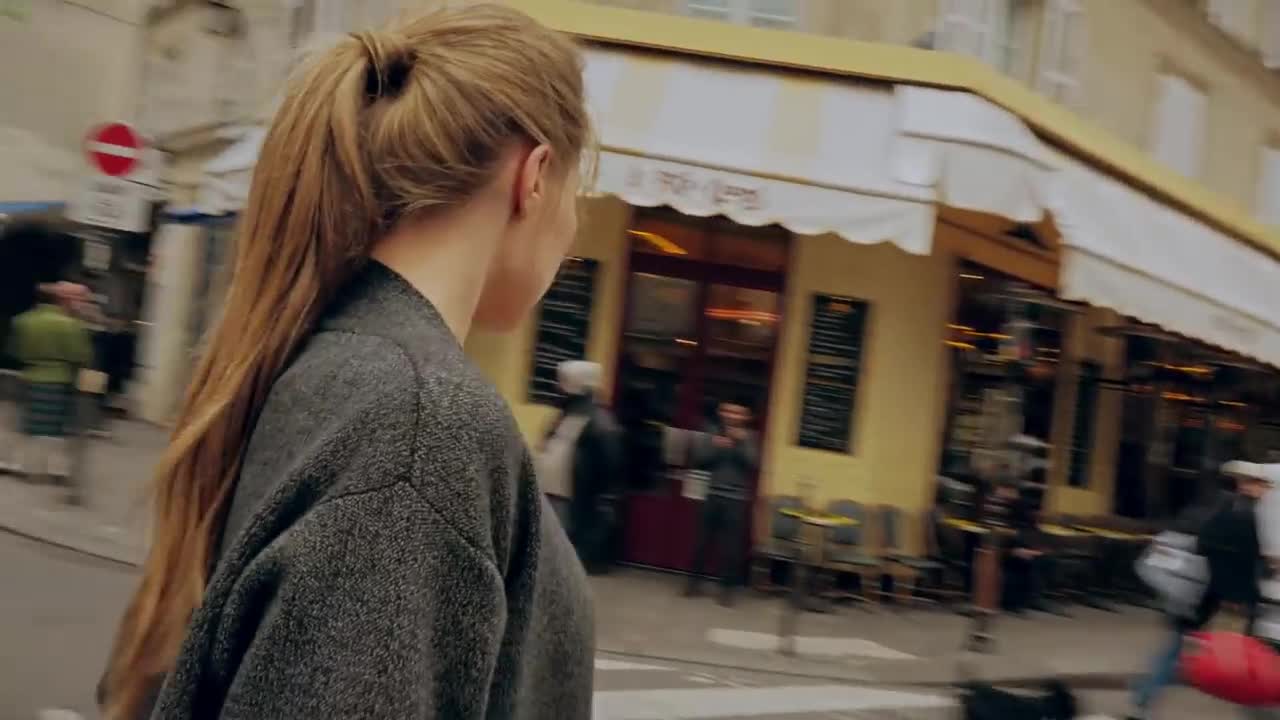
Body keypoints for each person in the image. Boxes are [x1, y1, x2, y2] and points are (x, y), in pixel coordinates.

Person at [97, 6, 593, 720]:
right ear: (536, 178)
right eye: (580, 190)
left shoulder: (331, 364)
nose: (573, 231)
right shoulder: (422, 426)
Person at [1128, 465, 1270, 720]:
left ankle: (1145, 694)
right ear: (1244, 484)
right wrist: (1237, 596)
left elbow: (1215, 549)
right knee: (1238, 657)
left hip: (1194, 594)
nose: (1264, 489)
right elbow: (1235, 559)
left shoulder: (1215, 509)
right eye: (1260, 483)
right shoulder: (1240, 513)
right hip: (1211, 597)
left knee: (1182, 650)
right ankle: (1257, 710)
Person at [537, 360, 622, 573]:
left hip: (571, 504)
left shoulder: (598, 422)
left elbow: (608, 467)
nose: (558, 388)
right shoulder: (566, 415)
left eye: (563, 383)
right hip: (549, 497)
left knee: (558, 562)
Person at [7, 281, 92, 480]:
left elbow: (16, 351)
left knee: (27, 424)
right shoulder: (72, 325)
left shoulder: (23, 321)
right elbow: (81, 355)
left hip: (29, 376)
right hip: (59, 379)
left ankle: (23, 465)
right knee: (56, 427)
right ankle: (55, 468)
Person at [686, 398, 759, 605]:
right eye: (728, 411)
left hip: (736, 499)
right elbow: (699, 458)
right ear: (721, 412)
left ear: (746, 417)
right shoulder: (710, 431)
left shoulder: (751, 437)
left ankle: (727, 590)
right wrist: (716, 447)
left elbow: (753, 463)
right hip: (710, 494)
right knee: (701, 542)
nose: (732, 416)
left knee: (731, 548)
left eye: (738, 413)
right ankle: (693, 583)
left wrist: (740, 443)